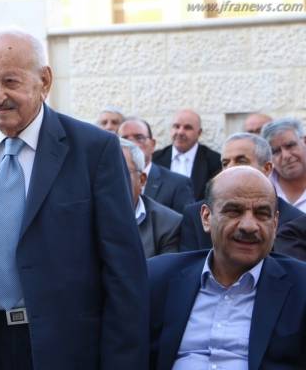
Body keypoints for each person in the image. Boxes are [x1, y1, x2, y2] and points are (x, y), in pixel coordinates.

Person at [0, 30, 148, 370]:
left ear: (44, 81)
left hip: (63, 349)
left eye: (10, 81)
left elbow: (124, 271)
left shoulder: (94, 150)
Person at [148, 166, 306, 369]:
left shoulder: (301, 287)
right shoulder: (159, 277)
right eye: (234, 211)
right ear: (206, 217)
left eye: (262, 214)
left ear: (275, 224)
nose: (249, 226)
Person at [179, 132, 303, 255]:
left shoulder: (294, 220)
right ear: (206, 217)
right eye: (225, 163)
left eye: (241, 161)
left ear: (266, 168)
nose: (230, 168)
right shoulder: (195, 214)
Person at [119, 117, 194, 213]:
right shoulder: (107, 180)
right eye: (124, 140)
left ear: (152, 144)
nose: (132, 144)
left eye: (139, 138)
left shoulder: (178, 184)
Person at [120, 138, 181, 258]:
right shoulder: (86, 215)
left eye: (121, 172)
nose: (112, 179)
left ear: (142, 180)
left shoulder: (167, 223)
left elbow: (166, 268)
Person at [153, 109, 221, 200]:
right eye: (176, 126)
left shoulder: (214, 161)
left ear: (199, 133)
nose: (180, 132)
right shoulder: (155, 159)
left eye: (187, 128)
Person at [261, 118, 306, 213]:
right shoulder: (262, 187)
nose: (286, 156)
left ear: (304, 142)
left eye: (290, 146)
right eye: (276, 151)